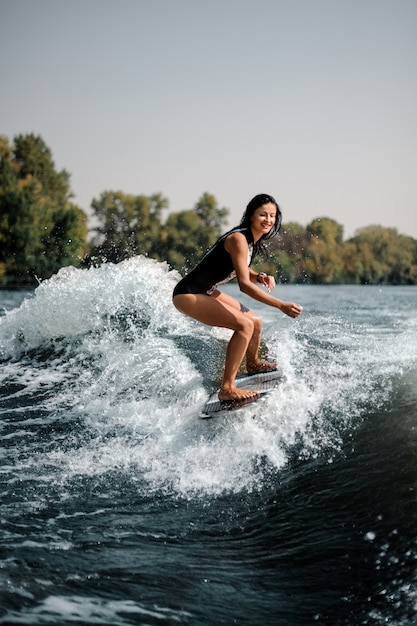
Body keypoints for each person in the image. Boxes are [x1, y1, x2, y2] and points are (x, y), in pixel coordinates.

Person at [172, 193, 303, 402]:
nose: (268, 220)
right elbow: (243, 285)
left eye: (272, 216)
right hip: (188, 293)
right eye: (263, 215)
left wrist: (259, 276)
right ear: (251, 215)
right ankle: (227, 388)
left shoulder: (250, 241)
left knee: (255, 322)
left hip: (206, 290)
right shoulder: (239, 239)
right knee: (244, 325)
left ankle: (253, 363)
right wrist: (281, 305)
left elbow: (239, 269)